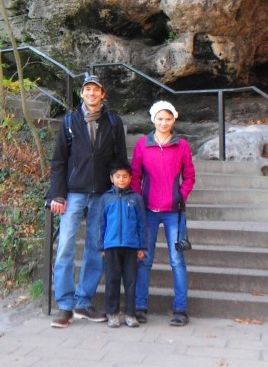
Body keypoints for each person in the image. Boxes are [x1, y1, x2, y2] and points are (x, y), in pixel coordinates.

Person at [47, 73, 128, 328]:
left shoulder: (113, 122)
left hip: (102, 192)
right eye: (87, 90)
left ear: (103, 94)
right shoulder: (70, 121)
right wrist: (56, 194)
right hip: (73, 191)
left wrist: (119, 191)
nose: (91, 94)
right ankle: (65, 305)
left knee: (96, 247)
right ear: (81, 93)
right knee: (65, 248)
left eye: (96, 90)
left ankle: (83, 302)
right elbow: (59, 160)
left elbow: (120, 159)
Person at [131, 100, 195, 326]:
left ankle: (180, 309)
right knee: (144, 260)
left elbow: (189, 176)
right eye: (160, 118)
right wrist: (137, 200)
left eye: (168, 118)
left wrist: (181, 195)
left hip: (173, 212)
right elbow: (135, 175)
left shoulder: (182, 146)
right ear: (153, 119)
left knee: (177, 261)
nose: (164, 122)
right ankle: (140, 307)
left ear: (174, 120)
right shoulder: (142, 145)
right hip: (147, 210)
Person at [99, 160, 146, 327]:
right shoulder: (106, 198)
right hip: (111, 246)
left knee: (131, 281)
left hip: (131, 246)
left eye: (125, 176)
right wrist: (101, 245)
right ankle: (112, 313)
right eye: (117, 176)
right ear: (112, 178)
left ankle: (130, 314)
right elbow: (101, 223)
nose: (121, 180)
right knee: (112, 279)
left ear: (130, 178)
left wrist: (142, 246)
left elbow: (142, 224)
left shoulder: (136, 199)